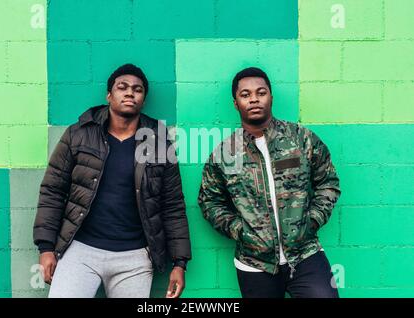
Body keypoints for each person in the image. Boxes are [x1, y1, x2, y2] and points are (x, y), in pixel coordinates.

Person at [33, 63, 191, 298]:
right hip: (80, 251)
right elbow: (53, 190)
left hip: (135, 258)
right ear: (109, 95)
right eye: (122, 87)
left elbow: (172, 204)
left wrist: (179, 263)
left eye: (137, 90)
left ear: (143, 99)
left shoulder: (159, 143)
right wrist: (46, 248)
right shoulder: (79, 134)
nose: (130, 93)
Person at [198, 67, 341, 298]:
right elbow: (209, 201)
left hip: (305, 255)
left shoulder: (301, 139)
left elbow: (328, 182)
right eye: (245, 95)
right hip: (254, 264)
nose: (254, 99)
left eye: (260, 92)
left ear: (270, 97)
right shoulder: (225, 153)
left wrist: (312, 220)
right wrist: (239, 230)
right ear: (236, 103)